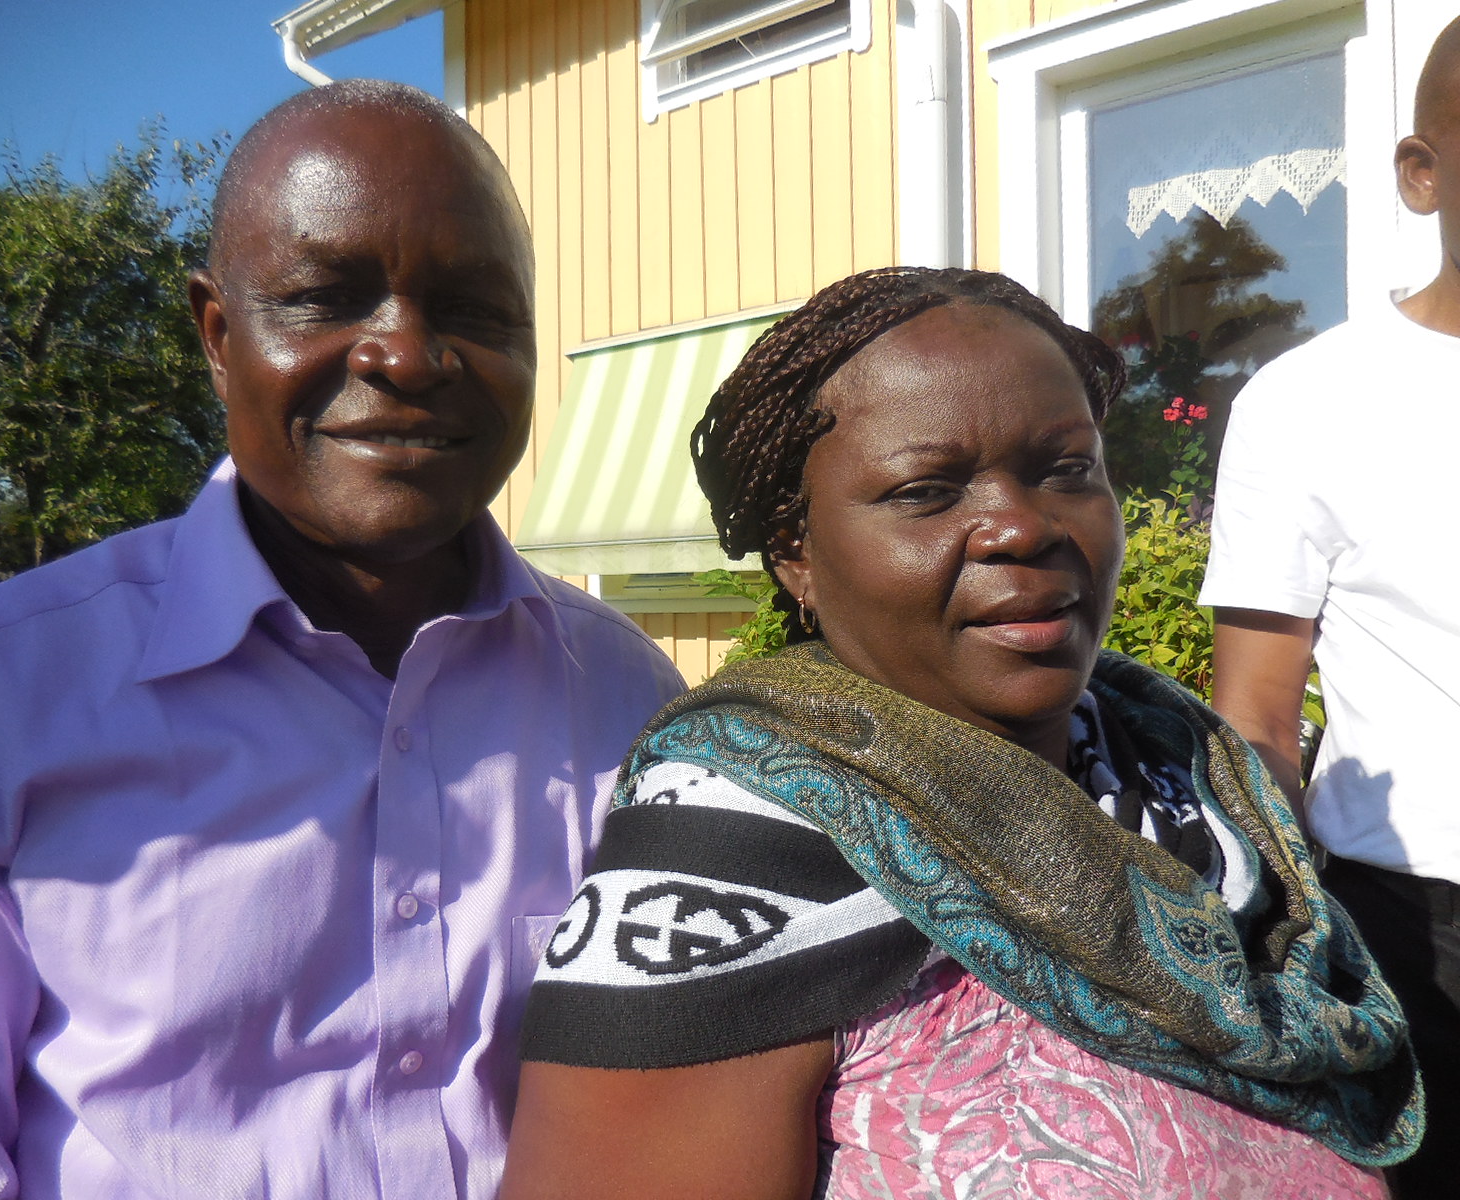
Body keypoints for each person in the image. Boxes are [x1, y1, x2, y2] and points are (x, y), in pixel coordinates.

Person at [0, 81, 683, 1199]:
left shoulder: (629, 699)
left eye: (475, 310)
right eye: (326, 298)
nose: (406, 355)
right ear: (217, 334)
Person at [499, 267, 1422, 1200]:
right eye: (926, 491)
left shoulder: (1191, 778)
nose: (1020, 527)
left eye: (1067, 470)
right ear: (795, 554)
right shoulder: (727, 867)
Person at [1198, 19, 1460, 1198]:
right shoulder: (1311, 401)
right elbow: (1255, 713)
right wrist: (1285, 944)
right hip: (1422, 938)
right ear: (1420, 172)